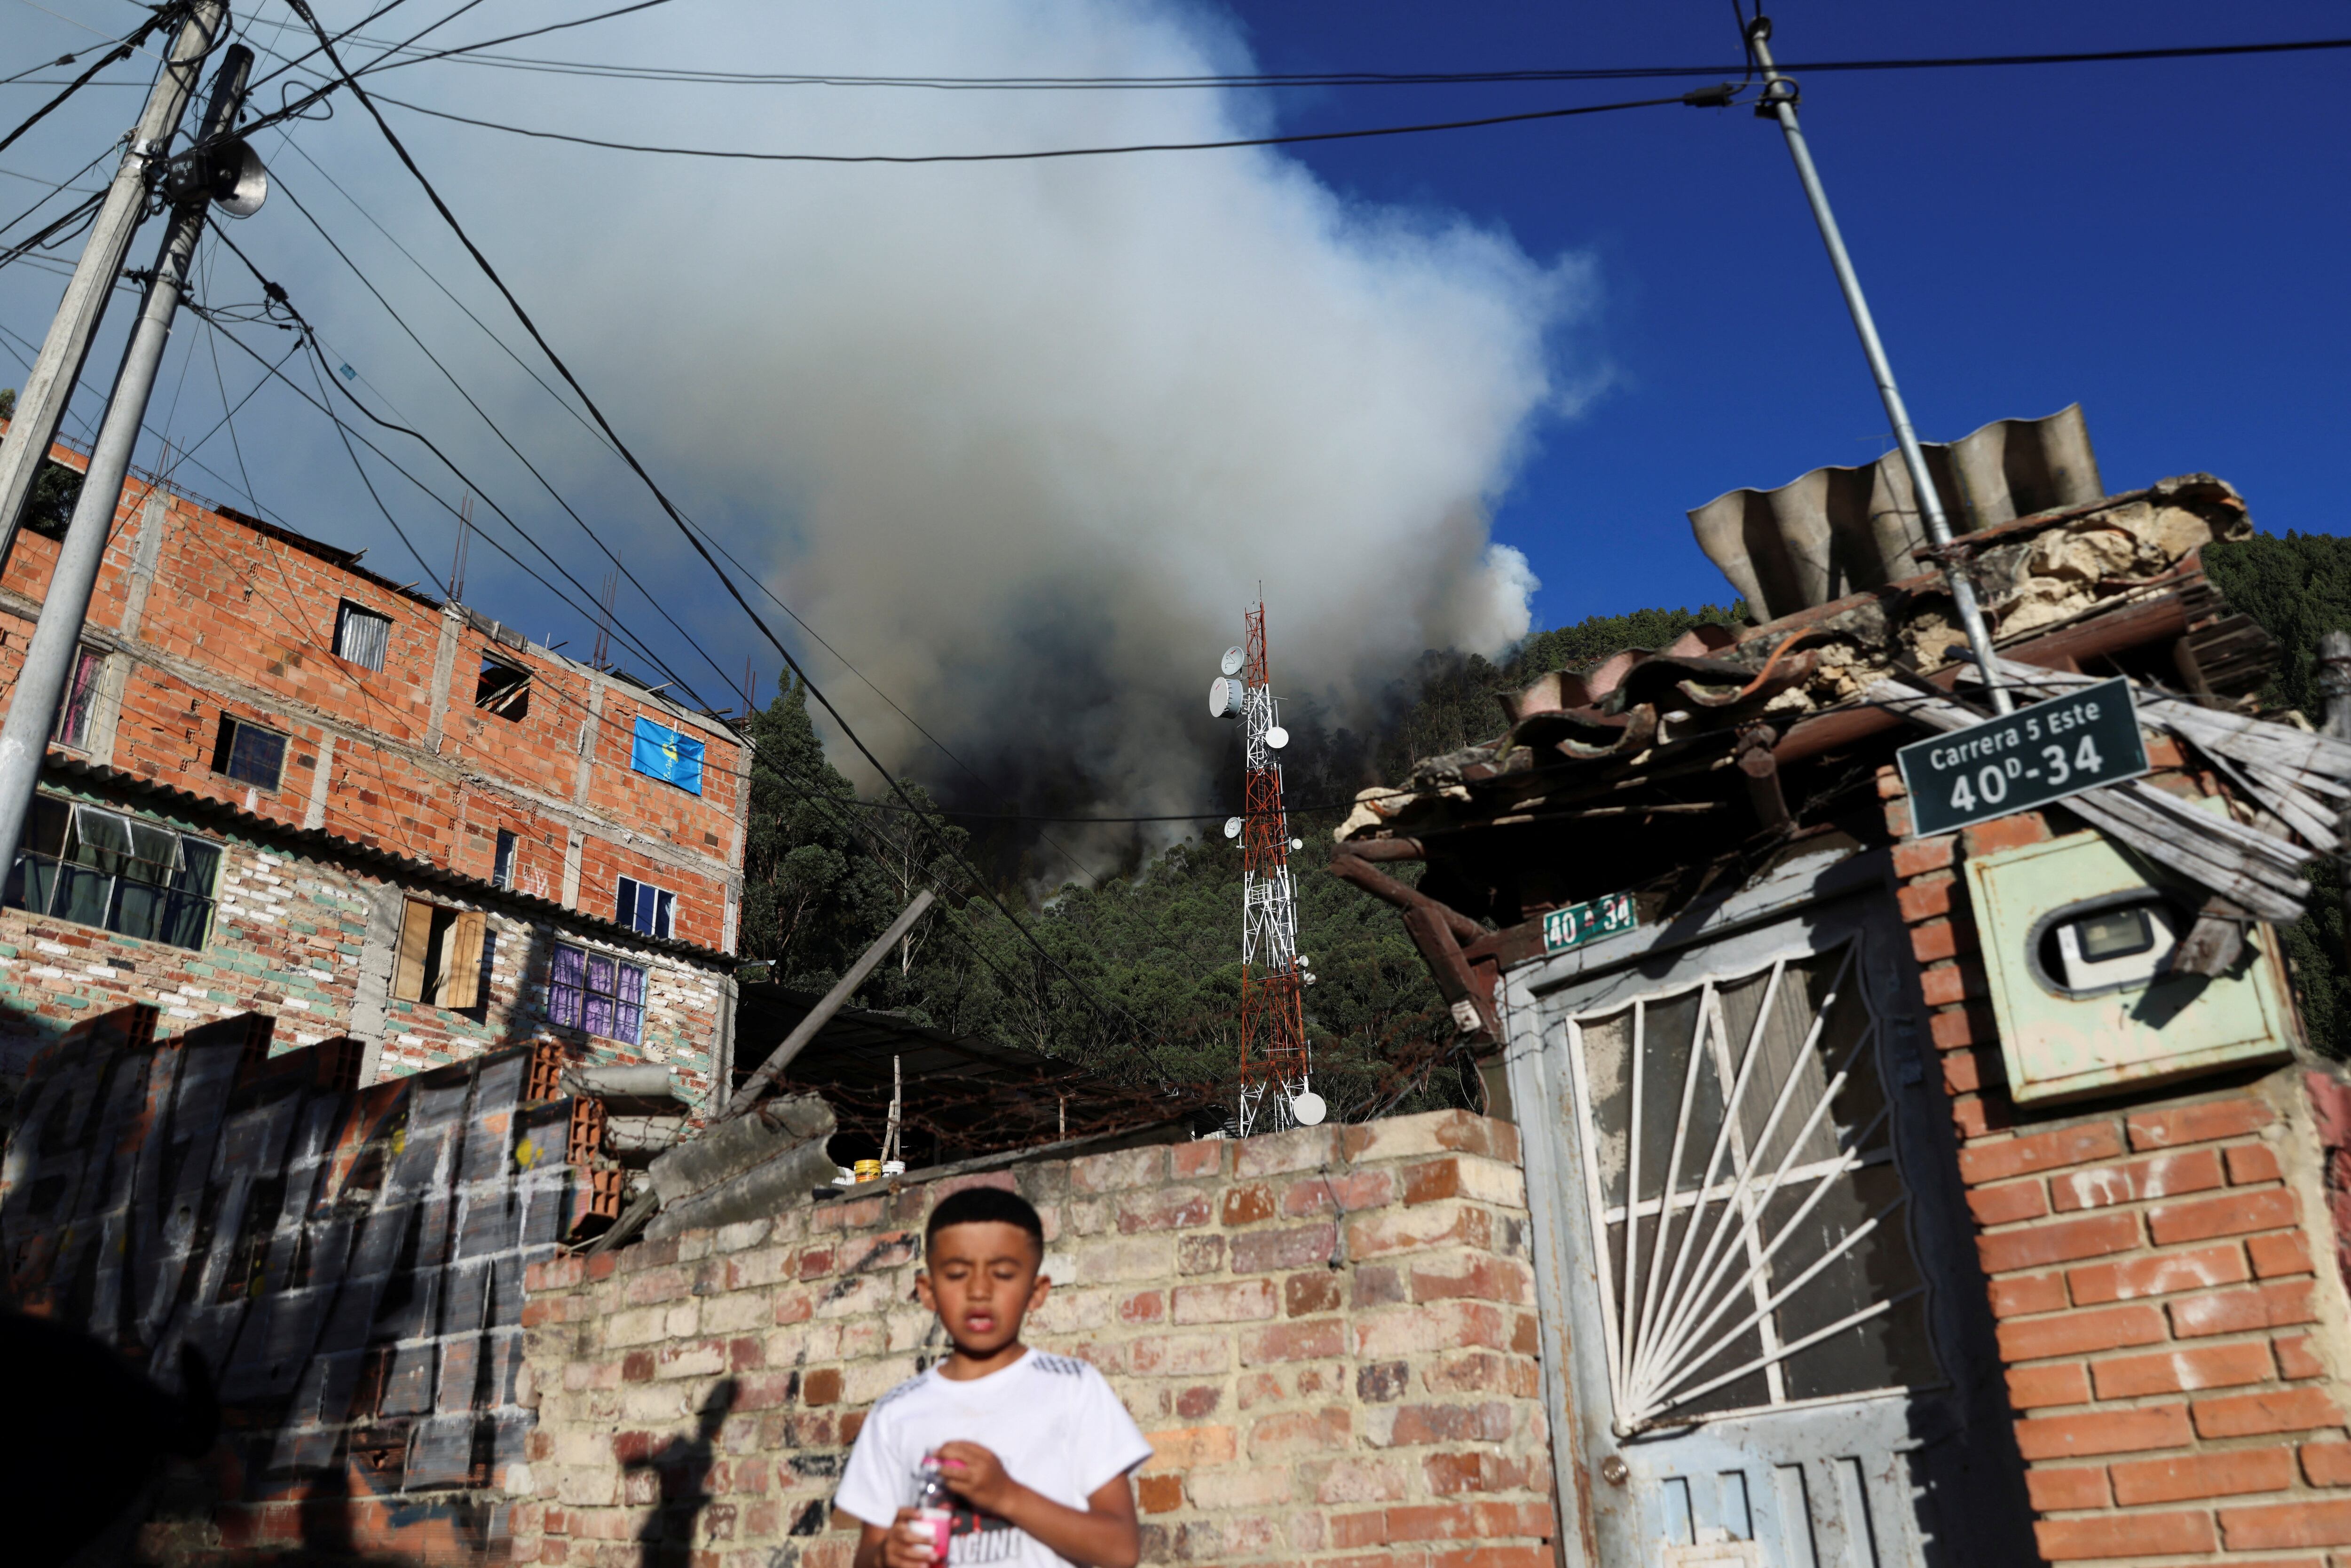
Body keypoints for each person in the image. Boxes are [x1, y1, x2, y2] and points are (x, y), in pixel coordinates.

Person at [837, 1186, 1151, 1568]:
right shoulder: (894, 1413)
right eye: (956, 1274)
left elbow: (1121, 1549)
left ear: (1036, 1292)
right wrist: (887, 1557)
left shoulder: (1073, 1388)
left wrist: (1007, 1495)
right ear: (928, 1291)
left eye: (1003, 1273)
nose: (980, 1291)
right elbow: (867, 1554)